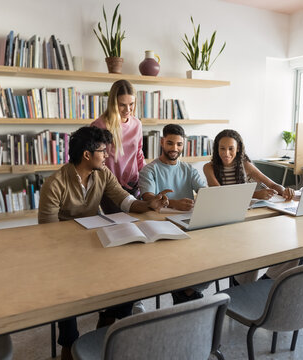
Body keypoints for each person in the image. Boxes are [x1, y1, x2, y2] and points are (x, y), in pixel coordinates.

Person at [38, 126, 168, 360]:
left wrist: (149, 205)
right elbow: (47, 232)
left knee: (130, 273)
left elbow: (125, 200)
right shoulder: (55, 183)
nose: (107, 156)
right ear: (87, 155)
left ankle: (108, 317)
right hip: (63, 249)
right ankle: (69, 344)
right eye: (103, 151)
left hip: (94, 239)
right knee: (65, 290)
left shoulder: (103, 173)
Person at [203, 129, 296, 283]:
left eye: (231, 148)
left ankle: (266, 281)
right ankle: (242, 285)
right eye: (222, 148)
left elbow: (271, 183)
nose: (226, 153)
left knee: (288, 246)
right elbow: (221, 193)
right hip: (224, 222)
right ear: (216, 149)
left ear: (238, 148)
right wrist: (254, 194)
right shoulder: (209, 167)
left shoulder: (245, 165)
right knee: (250, 250)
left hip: (248, 219)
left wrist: (284, 190)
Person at [139, 124, 210, 304]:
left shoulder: (188, 169)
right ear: (162, 142)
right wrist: (173, 203)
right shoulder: (149, 169)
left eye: (179, 144)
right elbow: (149, 198)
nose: (174, 149)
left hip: (188, 226)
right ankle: (186, 292)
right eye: (170, 143)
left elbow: (205, 191)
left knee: (213, 256)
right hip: (161, 227)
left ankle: (186, 291)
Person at [91, 79, 145, 214]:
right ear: (113, 103)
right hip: (110, 187)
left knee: (137, 224)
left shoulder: (137, 124)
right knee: (118, 227)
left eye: (131, 104)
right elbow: (95, 160)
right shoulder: (99, 126)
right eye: (122, 105)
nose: (128, 110)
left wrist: (145, 178)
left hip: (133, 184)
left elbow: (138, 153)